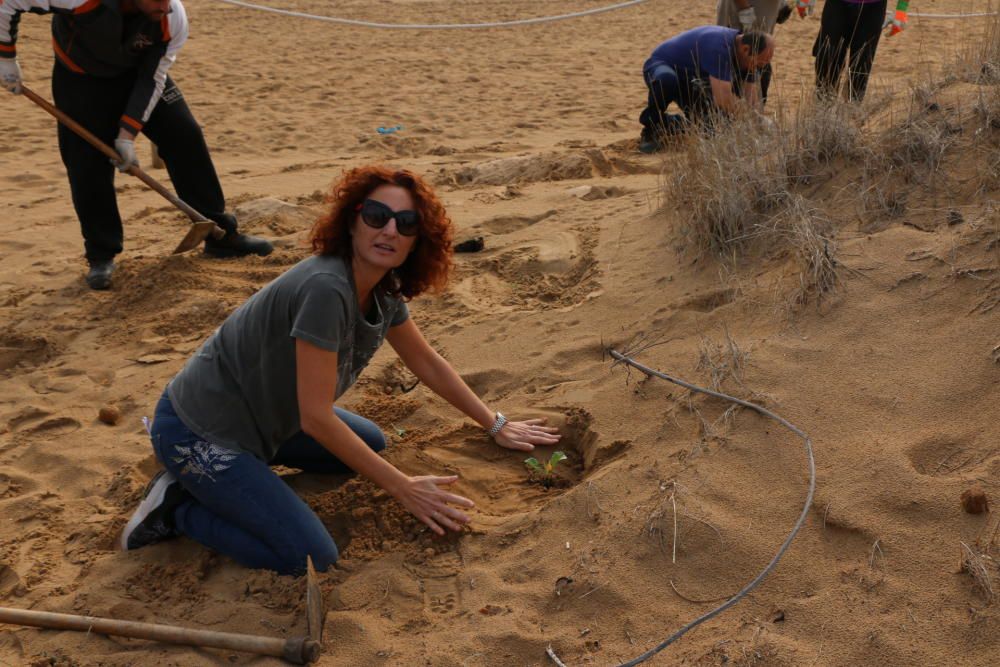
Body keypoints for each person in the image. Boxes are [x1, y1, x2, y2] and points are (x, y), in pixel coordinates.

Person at [119, 166, 561, 576]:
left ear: (416, 242)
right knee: (310, 556)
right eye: (377, 215)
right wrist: (403, 487)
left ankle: (239, 477)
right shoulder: (326, 287)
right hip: (200, 431)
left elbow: (425, 361)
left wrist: (495, 423)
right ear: (352, 221)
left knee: (372, 442)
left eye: (406, 224)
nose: (389, 229)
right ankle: (174, 508)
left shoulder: (382, 288)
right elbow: (315, 417)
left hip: (267, 421)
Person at [0, 0, 273, 290]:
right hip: (80, 79)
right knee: (86, 164)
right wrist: (6, 58)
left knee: (185, 135)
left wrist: (127, 135)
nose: (167, 7)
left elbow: (153, 79)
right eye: (159, 0)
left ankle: (219, 234)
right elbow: (8, 3)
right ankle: (101, 255)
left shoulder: (173, 18)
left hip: (138, 76)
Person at [638, 26, 775, 153]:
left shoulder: (747, 55)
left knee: (709, 129)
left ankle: (673, 123)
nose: (758, 67)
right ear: (745, 49)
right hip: (662, 66)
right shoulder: (719, 47)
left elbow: (750, 95)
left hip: (692, 80)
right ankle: (651, 127)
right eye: (759, 62)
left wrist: (757, 123)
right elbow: (723, 98)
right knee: (666, 80)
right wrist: (754, 119)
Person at [797, 0, 909, 102]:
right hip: (838, 5)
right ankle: (823, 115)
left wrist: (901, 10)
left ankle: (851, 115)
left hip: (874, 8)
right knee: (827, 60)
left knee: (861, 68)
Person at [716, 0, 794, 103]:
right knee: (738, 69)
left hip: (764, 20)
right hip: (742, 13)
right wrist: (745, 11)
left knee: (760, 73)